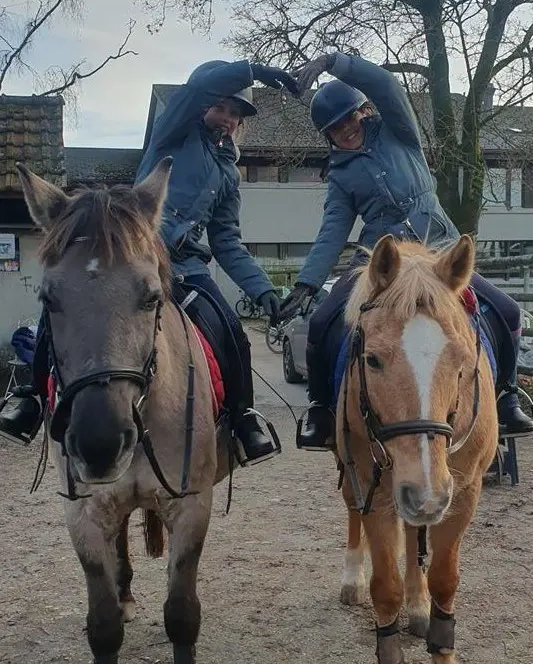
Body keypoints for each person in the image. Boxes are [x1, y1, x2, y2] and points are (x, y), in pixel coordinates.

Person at [0, 58, 298, 464]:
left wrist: (262, 290)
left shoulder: (229, 174)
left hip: (188, 269)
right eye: (220, 107)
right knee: (61, 309)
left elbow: (227, 241)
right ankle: (34, 399)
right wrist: (252, 71)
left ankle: (243, 418)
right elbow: (196, 90)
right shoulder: (174, 131)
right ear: (201, 105)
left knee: (233, 331)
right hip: (133, 258)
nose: (228, 119)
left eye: (236, 114)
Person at [280, 51, 533, 448]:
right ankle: (321, 408)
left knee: (507, 310)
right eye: (335, 128)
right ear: (327, 135)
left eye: (348, 119)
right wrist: (308, 283)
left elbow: (387, 85)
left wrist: (335, 61)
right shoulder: (341, 176)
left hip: (438, 251)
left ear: (363, 112)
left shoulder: (399, 131)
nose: (345, 130)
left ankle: (506, 396)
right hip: (384, 263)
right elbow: (333, 229)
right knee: (322, 321)